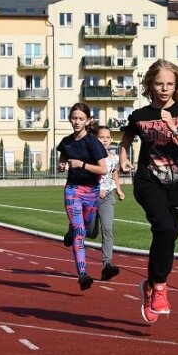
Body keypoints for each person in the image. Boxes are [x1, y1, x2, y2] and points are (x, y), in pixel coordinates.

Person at [119, 59, 178, 325]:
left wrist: (174, 129)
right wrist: (123, 155)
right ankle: (159, 290)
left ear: (177, 85)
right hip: (148, 182)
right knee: (164, 230)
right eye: (159, 84)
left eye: (169, 84)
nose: (164, 89)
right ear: (150, 85)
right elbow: (128, 135)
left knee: (167, 239)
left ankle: (150, 284)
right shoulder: (141, 115)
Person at [57, 103, 108, 291]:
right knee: (80, 233)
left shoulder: (93, 143)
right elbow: (63, 156)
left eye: (80, 118)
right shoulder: (67, 141)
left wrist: (82, 164)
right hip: (72, 190)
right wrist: (62, 164)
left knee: (84, 229)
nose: (76, 122)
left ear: (87, 121)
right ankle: (83, 274)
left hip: (92, 192)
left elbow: (103, 169)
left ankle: (71, 229)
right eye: (73, 118)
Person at [95, 125, 125, 281]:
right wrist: (94, 190)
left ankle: (107, 265)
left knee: (107, 229)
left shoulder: (113, 158)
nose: (104, 140)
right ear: (96, 139)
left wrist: (118, 189)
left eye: (107, 137)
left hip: (107, 196)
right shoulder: (90, 156)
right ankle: (73, 227)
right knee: (91, 232)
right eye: (101, 137)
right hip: (91, 198)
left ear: (111, 140)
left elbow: (114, 173)